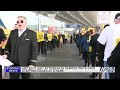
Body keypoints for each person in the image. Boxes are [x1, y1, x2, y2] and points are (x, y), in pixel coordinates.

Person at [97, 13, 120, 79]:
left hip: (109, 59)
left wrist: (99, 56)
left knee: (109, 76)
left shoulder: (108, 29)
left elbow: (101, 44)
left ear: (115, 20)